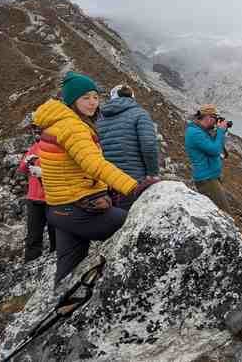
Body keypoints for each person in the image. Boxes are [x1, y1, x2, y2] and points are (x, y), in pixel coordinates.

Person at [33, 71, 156, 285]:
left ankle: (61, 314)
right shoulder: (73, 128)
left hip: (59, 209)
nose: (92, 103)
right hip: (79, 208)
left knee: (67, 274)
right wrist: (133, 187)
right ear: (72, 100)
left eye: (95, 97)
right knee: (139, 228)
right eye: (85, 98)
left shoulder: (56, 123)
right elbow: (95, 164)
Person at [97, 84, 159, 210]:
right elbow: (149, 145)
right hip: (133, 180)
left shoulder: (99, 117)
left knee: (114, 219)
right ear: (132, 97)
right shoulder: (140, 114)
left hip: (107, 180)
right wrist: (152, 173)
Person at [17, 129, 56, 262]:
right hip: (34, 199)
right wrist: (27, 162)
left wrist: (44, 172)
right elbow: (22, 169)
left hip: (53, 198)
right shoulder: (34, 147)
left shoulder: (57, 148)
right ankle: (30, 267)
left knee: (56, 236)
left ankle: (54, 265)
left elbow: (62, 171)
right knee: (33, 237)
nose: (39, 134)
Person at [185, 104, 230, 211]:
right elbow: (214, 150)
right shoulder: (195, 133)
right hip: (207, 179)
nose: (216, 122)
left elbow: (218, 146)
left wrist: (221, 132)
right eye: (215, 119)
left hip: (212, 176)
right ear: (208, 117)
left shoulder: (202, 131)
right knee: (224, 212)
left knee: (220, 212)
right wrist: (220, 131)